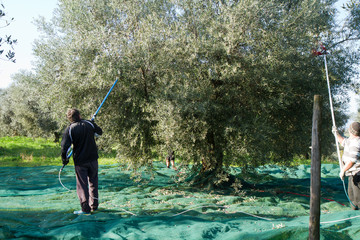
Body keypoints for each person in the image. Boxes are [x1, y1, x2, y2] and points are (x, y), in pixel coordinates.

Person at [61, 108, 103, 215]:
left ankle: (85, 209)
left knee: (82, 185)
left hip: (80, 162)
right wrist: (93, 124)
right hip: (93, 159)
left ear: (70, 119)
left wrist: (64, 160)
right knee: (93, 182)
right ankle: (94, 206)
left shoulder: (70, 129)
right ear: (79, 115)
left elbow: (64, 147)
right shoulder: (89, 124)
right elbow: (99, 133)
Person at [333, 122, 360, 210]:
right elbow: (343, 141)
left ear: (350, 131)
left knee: (358, 199)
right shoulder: (351, 140)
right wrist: (336, 133)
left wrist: (343, 171)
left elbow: (352, 161)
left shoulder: (357, 143)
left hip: (358, 175)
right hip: (351, 175)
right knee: (352, 198)